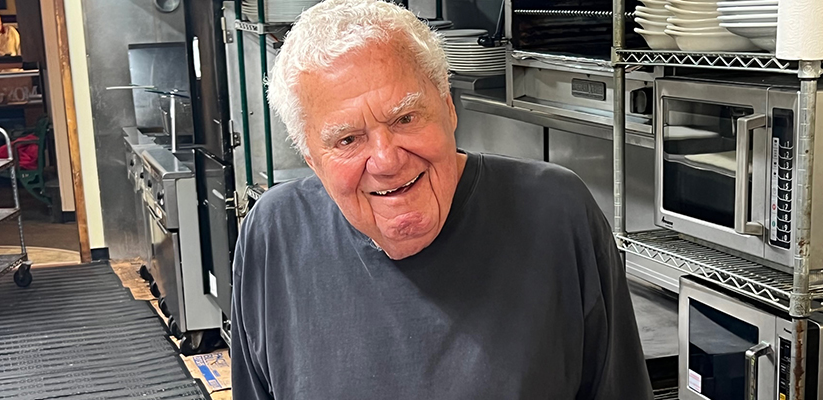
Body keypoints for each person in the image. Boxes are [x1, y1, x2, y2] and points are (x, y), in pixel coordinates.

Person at [231, 0, 652, 398]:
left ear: (448, 107)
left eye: (405, 118)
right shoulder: (274, 236)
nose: (387, 160)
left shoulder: (556, 214)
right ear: (312, 159)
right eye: (347, 139)